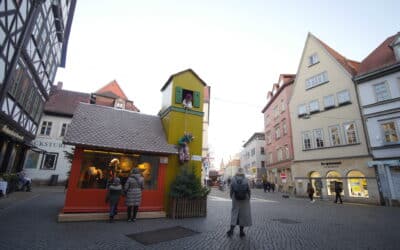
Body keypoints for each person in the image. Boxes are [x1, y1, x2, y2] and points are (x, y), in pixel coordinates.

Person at [227, 168, 252, 238]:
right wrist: (249, 197)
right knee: (243, 215)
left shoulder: (233, 179)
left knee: (234, 214)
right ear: (243, 173)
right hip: (245, 199)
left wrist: (231, 196)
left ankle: (231, 230)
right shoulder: (246, 179)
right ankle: (241, 232)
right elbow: (249, 189)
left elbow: (231, 189)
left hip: (235, 198)